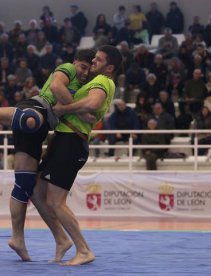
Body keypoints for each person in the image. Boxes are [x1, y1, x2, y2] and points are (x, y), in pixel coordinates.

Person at [0, 49, 96, 262]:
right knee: (29, 119)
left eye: (89, 69)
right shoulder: (68, 69)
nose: (85, 72)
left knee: (25, 184)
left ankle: (26, 239)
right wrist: (77, 110)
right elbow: (56, 87)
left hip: (41, 128)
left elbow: (72, 105)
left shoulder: (84, 85)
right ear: (75, 62)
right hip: (35, 110)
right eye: (83, 67)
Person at [45, 45, 122, 265]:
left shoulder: (104, 81)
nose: (94, 62)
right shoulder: (90, 82)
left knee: (56, 201)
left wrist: (63, 109)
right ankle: (62, 240)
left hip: (72, 141)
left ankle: (84, 249)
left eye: (99, 60)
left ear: (110, 67)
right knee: (39, 192)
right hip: (63, 139)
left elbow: (93, 103)